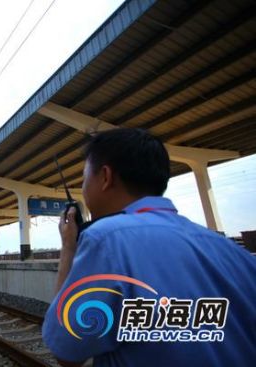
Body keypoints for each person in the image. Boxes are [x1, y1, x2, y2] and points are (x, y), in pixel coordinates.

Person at [42, 128, 256, 367]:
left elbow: (67, 352)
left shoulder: (104, 239)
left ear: (105, 177)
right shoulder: (230, 249)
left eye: (84, 177)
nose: (83, 187)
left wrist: (68, 248)